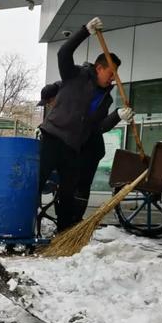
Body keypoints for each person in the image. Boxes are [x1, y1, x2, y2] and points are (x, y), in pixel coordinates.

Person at [38, 16, 134, 232]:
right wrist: (84, 31)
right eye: (111, 73)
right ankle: (23, 225)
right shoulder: (76, 75)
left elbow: (99, 127)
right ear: (99, 68)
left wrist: (118, 115)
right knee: (37, 183)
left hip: (73, 148)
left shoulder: (106, 99)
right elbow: (63, 53)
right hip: (53, 138)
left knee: (68, 192)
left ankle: (62, 234)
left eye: (115, 74)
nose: (113, 78)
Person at [37, 82, 108, 225]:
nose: (50, 105)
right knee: (65, 188)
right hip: (72, 150)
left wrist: (116, 116)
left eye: (50, 101)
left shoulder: (75, 104)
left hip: (88, 151)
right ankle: (66, 222)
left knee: (79, 186)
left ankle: (73, 222)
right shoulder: (62, 106)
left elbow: (95, 126)